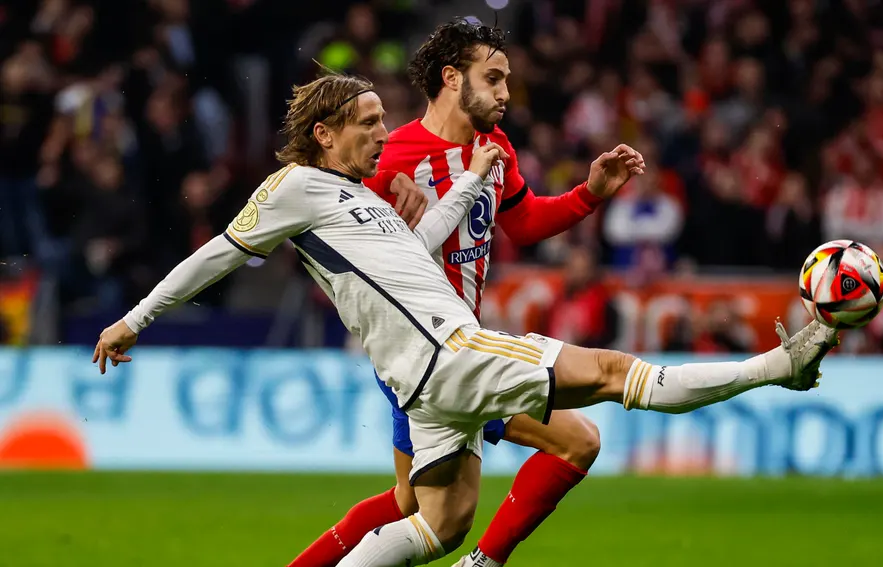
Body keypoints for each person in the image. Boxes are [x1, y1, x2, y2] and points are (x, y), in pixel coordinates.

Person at [93, 72, 840, 567]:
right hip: (450, 352)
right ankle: (785, 365)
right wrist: (135, 319)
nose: (381, 134)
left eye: (383, 120)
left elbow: (414, 251)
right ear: (323, 132)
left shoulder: (353, 199)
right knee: (614, 375)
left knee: (436, 527)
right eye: (366, 123)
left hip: (426, 382)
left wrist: (475, 180)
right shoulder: (295, 186)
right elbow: (217, 254)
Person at [290, 18, 638, 567]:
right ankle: (484, 562)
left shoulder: (494, 146)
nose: (505, 92)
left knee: (410, 505)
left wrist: (588, 194)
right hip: (423, 355)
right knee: (578, 440)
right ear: (452, 78)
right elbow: (314, 209)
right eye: (493, 77)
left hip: (464, 344)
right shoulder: (388, 155)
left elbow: (522, 223)